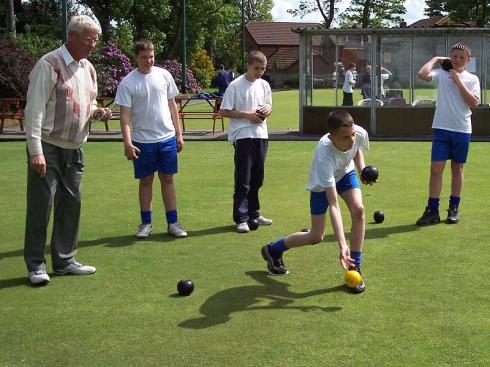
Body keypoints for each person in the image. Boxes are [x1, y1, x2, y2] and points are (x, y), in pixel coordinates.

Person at [23, 15, 111, 285]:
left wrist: (97, 112)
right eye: (89, 39)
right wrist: (35, 150)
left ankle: (65, 260)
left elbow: (90, 100)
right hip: (48, 146)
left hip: (75, 148)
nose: (93, 44)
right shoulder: (48, 64)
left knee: (71, 204)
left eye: (95, 39)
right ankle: (36, 265)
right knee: (42, 205)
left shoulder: (89, 68)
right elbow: (34, 110)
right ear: (71, 36)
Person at [261, 110, 373, 294]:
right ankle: (273, 249)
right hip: (322, 184)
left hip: (346, 173)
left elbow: (356, 150)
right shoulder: (324, 153)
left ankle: (355, 266)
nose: (351, 139)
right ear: (331, 136)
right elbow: (334, 205)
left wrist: (362, 170)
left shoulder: (358, 133)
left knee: (359, 210)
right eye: (345, 137)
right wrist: (342, 245)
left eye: (352, 134)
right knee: (315, 236)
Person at [115, 39, 187, 239]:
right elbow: (124, 117)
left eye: (151, 56)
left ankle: (173, 222)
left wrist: (179, 134)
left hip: (166, 138)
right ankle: (145, 223)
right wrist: (127, 143)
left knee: (167, 179)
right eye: (144, 57)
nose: (148, 61)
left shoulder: (164, 75)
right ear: (136, 57)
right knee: (146, 181)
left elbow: (173, 106)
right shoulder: (128, 82)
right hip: (141, 141)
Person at [416, 43, 480, 225]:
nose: (458, 60)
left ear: (467, 61)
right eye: (454, 56)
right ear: (450, 58)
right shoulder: (441, 74)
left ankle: (453, 208)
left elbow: (473, 103)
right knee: (436, 168)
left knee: (457, 169)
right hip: (441, 128)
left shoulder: (472, 79)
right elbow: (422, 74)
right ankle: (432, 210)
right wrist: (436, 59)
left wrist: (459, 82)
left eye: (462, 57)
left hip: (461, 129)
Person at [220, 51, 273, 233]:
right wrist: (247, 116)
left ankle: (254, 214)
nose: (260, 72)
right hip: (243, 136)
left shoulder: (265, 85)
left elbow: (268, 108)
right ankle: (241, 218)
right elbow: (224, 111)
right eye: (256, 68)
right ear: (248, 66)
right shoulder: (235, 85)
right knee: (243, 179)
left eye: (263, 68)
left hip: (261, 135)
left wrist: (266, 110)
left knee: (258, 178)